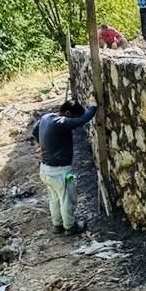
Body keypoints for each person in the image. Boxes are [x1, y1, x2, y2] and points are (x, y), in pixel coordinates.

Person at [31, 99, 96, 235]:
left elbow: (35, 131)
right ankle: (70, 227)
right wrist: (93, 107)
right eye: (73, 117)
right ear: (68, 113)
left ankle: (58, 225)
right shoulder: (61, 122)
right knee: (68, 198)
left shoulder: (46, 117)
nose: (73, 123)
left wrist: (44, 144)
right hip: (61, 171)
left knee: (54, 198)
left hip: (45, 169)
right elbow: (83, 119)